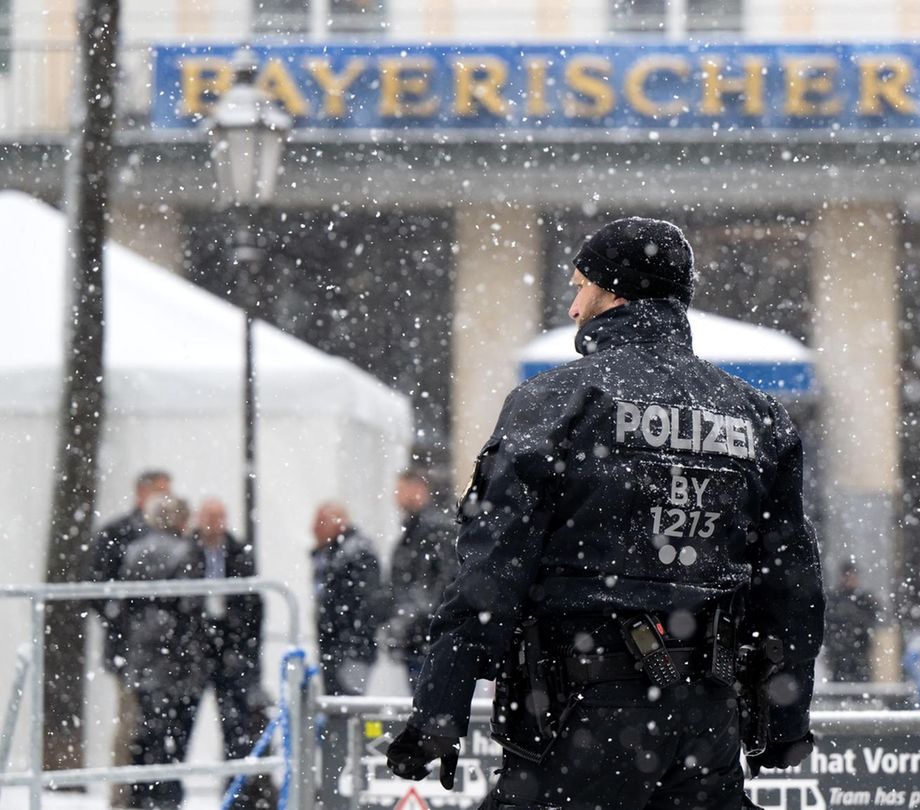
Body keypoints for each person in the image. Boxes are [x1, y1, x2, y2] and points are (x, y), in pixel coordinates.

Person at [385, 217, 825, 809]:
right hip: (705, 722)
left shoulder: (556, 403)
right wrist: (783, 721)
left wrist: (440, 709)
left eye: (579, 286)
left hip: (579, 717)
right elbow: (792, 590)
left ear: (615, 291)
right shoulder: (756, 417)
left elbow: (488, 572)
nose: (572, 307)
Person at [89, 468, 171, 808]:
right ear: (142, 493)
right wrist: (123, 619)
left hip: (167, 653)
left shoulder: (174, 532)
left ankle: (155, 793)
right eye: (160, 491)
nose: (167, 499)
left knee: (160, 727)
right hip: (130, 651)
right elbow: (98, 589)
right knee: (131, 725)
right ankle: (123, 795)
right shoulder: (117, 533)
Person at [118, 494, 204, 810]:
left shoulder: (134, 552)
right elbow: (190, 607)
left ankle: (142, 796)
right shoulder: (186, 553)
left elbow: (125, 608)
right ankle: (165, 797)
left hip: (142, 657)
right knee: (174, 739)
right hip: (176, 662)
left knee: (147, 732)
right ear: (181, 521)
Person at [191, 499, 272, 806]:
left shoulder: (239, 553)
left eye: (220, 517)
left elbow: (254, 606)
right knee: (179, 726)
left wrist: (243, 649)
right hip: (197, 651)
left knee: (236, 729)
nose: (215, 524)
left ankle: (236, 794)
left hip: (232, 651)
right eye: (210, 517)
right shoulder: (189, 552)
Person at [384, 467, 459, 692]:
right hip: (422, 636)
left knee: (431, 703)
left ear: (418, 489)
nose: (395, 497)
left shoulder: (433, 527)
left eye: (400, 489)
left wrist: (415, 618)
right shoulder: (422, 527)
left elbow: (443, 580)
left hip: (428, 637)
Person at [310, 501, 383, 697]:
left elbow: (366, 602)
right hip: (341, 647)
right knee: (341, 707)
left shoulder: (354, 553)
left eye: (320, 522)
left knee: (347, 708)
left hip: (350, 649)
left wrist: (349, 642)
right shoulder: (336, 553)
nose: (314, 529)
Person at [824, 559, 879, 683]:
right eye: (846, 575)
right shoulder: (834, 598)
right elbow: (829, 624)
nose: (849, 579)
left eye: (852, 575)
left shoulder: (864, 599)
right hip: (839, 655)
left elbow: (870, 623)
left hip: (860, 654)